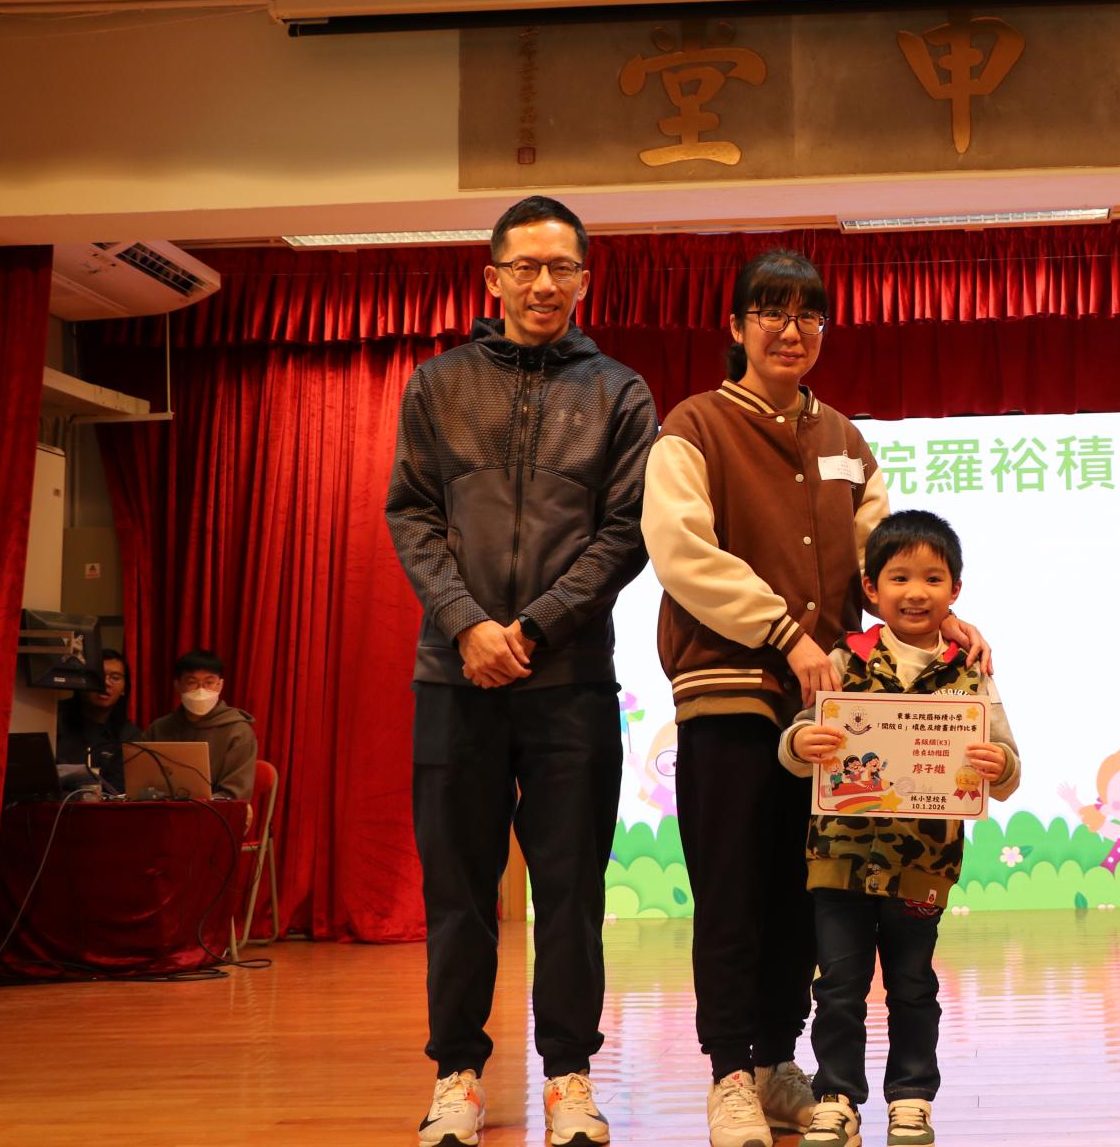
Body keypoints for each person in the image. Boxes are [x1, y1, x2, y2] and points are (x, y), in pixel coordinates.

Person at [641, 249, 989, 1147]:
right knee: (732, 893)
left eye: (807, 315)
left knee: (808, 893)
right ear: (735, 326)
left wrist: (942, 617)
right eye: (770, 311)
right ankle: (728, 1075)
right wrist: (784, 633)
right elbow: (682, 553)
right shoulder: (693, 426)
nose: (790, 330)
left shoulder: (844, 437)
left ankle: (774, 1064)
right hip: (729, 690)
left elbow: (884, 556)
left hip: (831, 706)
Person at [386, 195, 656, 1147]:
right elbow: (412, 515)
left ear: (585, 278)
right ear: (492, 276)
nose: (544, 284)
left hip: (569, 681)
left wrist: (532, 628)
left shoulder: (619, 393)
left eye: (562, 268)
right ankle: (457, 1076)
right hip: (453, 678)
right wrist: (467, 625)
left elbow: (626, 534)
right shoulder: (438, 383)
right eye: (526, 267)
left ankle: (570, 1077)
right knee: (458, 892)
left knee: (571, 893)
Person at [778, 510, 1019, 1147]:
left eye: (933, 578)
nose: (916, 592)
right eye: (900, 577)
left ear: (955, 590)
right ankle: (835, 1097)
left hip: (924, 865)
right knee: (839, 986)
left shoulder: (971, 670)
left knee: (913, 984)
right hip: (840, 858)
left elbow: (1007, 765)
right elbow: (796, 741)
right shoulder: (844, 658)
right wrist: (803, 743)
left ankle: (911, 1098)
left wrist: (999, 764)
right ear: (871, 588)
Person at [145, 649, 258, 800]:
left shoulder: (238, 731)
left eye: (209, 683)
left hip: (213, 810)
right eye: (192, 682)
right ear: (177, 685)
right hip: (162, 809)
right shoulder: (159, 728)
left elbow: (235, 793)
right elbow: (142, 781)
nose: (201, 690)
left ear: (220, 685)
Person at [55, 648, 138, 792]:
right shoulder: (54, 718)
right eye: (99, 675)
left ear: (124, 689)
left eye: (115, 677)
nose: (106, 683)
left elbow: (120, 791)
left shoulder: (128, 735)